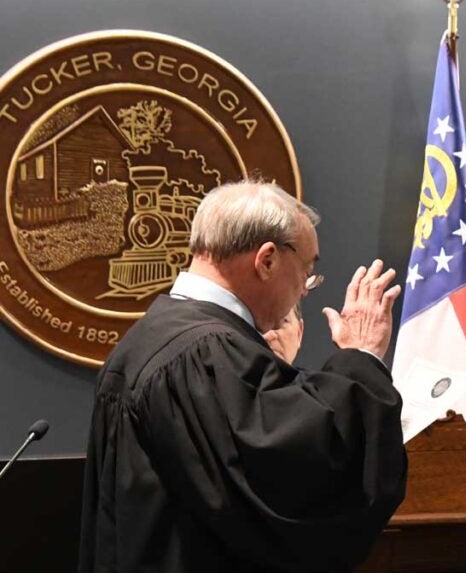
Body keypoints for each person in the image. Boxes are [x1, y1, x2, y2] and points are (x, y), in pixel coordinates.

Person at [79, 182, 408, 573]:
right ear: (267, 260)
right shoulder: (204, 354)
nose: (305, 290)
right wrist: (361, 357)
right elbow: (301, 473)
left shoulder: (155, 335)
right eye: (307, 271)